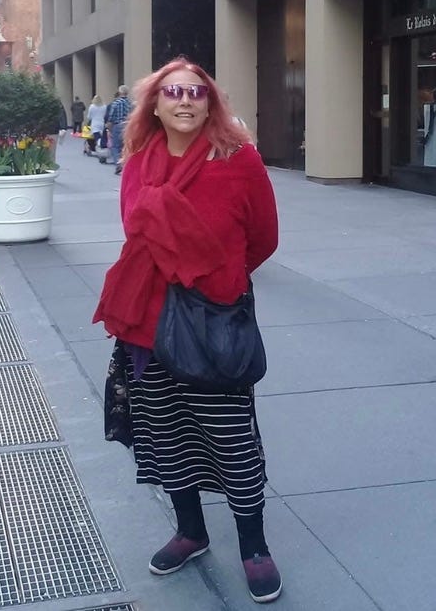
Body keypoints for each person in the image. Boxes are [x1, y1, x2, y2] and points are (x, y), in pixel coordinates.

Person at [93, 58, 282, 604]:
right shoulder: (139, 162)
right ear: (153, 104)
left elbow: (264, 238)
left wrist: (214, 280)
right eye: (172, 91)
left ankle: (254, 547)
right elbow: (134, 230)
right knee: (167, 434)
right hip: (147, 325)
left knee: (232, 439)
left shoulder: (239, 159)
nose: (184, 100)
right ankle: (191, 531)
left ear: (210, 102)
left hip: (212, 319)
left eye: (196, 92)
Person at [105, 84, 132, 173]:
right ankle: (125, 163)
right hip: (127, 125)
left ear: (120, 92)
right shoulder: (130, 103)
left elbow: (111, 116)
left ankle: (118, 163)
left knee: (115, 146)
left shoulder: (116, 102)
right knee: (124, 146)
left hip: (117, 125)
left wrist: (108, 125)